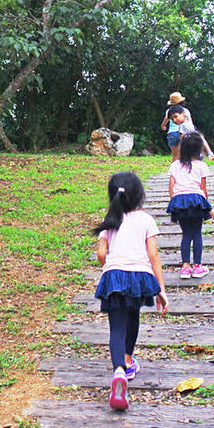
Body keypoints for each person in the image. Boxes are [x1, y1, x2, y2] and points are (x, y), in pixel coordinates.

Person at [93, 171, 169, 411]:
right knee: (133, 317)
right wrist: (161, 289)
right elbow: (153, 255)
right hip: (139, 277)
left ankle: (118, 372)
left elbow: (101, 255)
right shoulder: (146, 220)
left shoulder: (110, 221)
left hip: (114, 276)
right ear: (139, 197)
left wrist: (112, 266)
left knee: (116, 328)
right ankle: (127, 361)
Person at [167, 132, 214, 279]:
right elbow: (203, 188)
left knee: (186, 234)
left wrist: (173, 201)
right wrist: (210, 208)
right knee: (197, 233)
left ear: (182, 148)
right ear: (199, 149)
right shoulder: (201, 166)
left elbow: (171, 186)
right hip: (196, 200)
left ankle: (185, 267)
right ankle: (198, 266)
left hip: (180, 201)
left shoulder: (175, 165)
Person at [160, 92, 214, 161]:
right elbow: (190, 122)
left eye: (175, 117)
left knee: (175, 156)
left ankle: (174, 170)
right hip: (183, 133)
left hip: (172, 133)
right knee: (183, 154)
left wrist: (163, 126)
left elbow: (165, 120)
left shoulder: (169, 111)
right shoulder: (185, 111)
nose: (174, 120)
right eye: (172, 119)